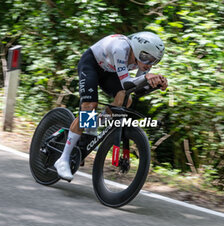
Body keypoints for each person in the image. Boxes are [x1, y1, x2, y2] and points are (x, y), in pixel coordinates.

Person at [54, 31, 168, 181]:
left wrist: (154, 84)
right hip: (91, 64)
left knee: (126, 100)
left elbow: (137, 91)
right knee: (89, 105)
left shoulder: (144, 62)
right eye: (148, 59)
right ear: (139, 50)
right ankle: (63, 158)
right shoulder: (121, 48)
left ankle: (93, 124)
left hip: (110, 71)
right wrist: (146, 78)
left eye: (155, 61)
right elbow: (126, 82)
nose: (149, 64)